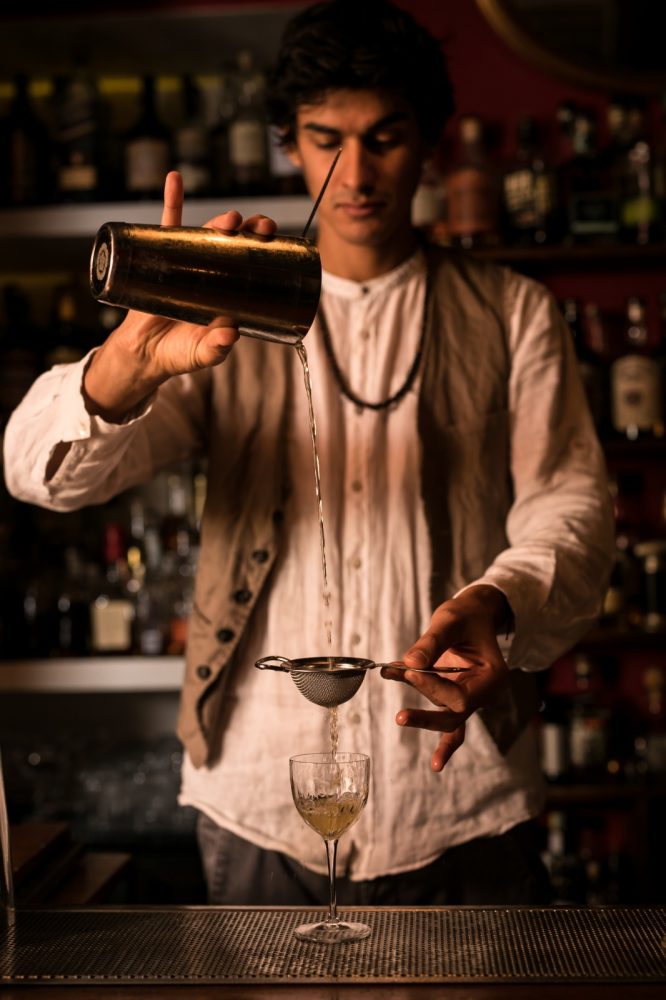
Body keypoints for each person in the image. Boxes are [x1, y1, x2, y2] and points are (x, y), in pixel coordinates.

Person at [3, 0, 614, 906]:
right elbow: (35, 474)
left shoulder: (513, 311)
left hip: (454, 797)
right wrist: (126, 367)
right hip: (256, 798)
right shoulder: (228, 309)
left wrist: (500, 596)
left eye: (386, 138)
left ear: (431, 143)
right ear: (289, 144)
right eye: (327, 139)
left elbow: (573, 504)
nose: (357, 173)